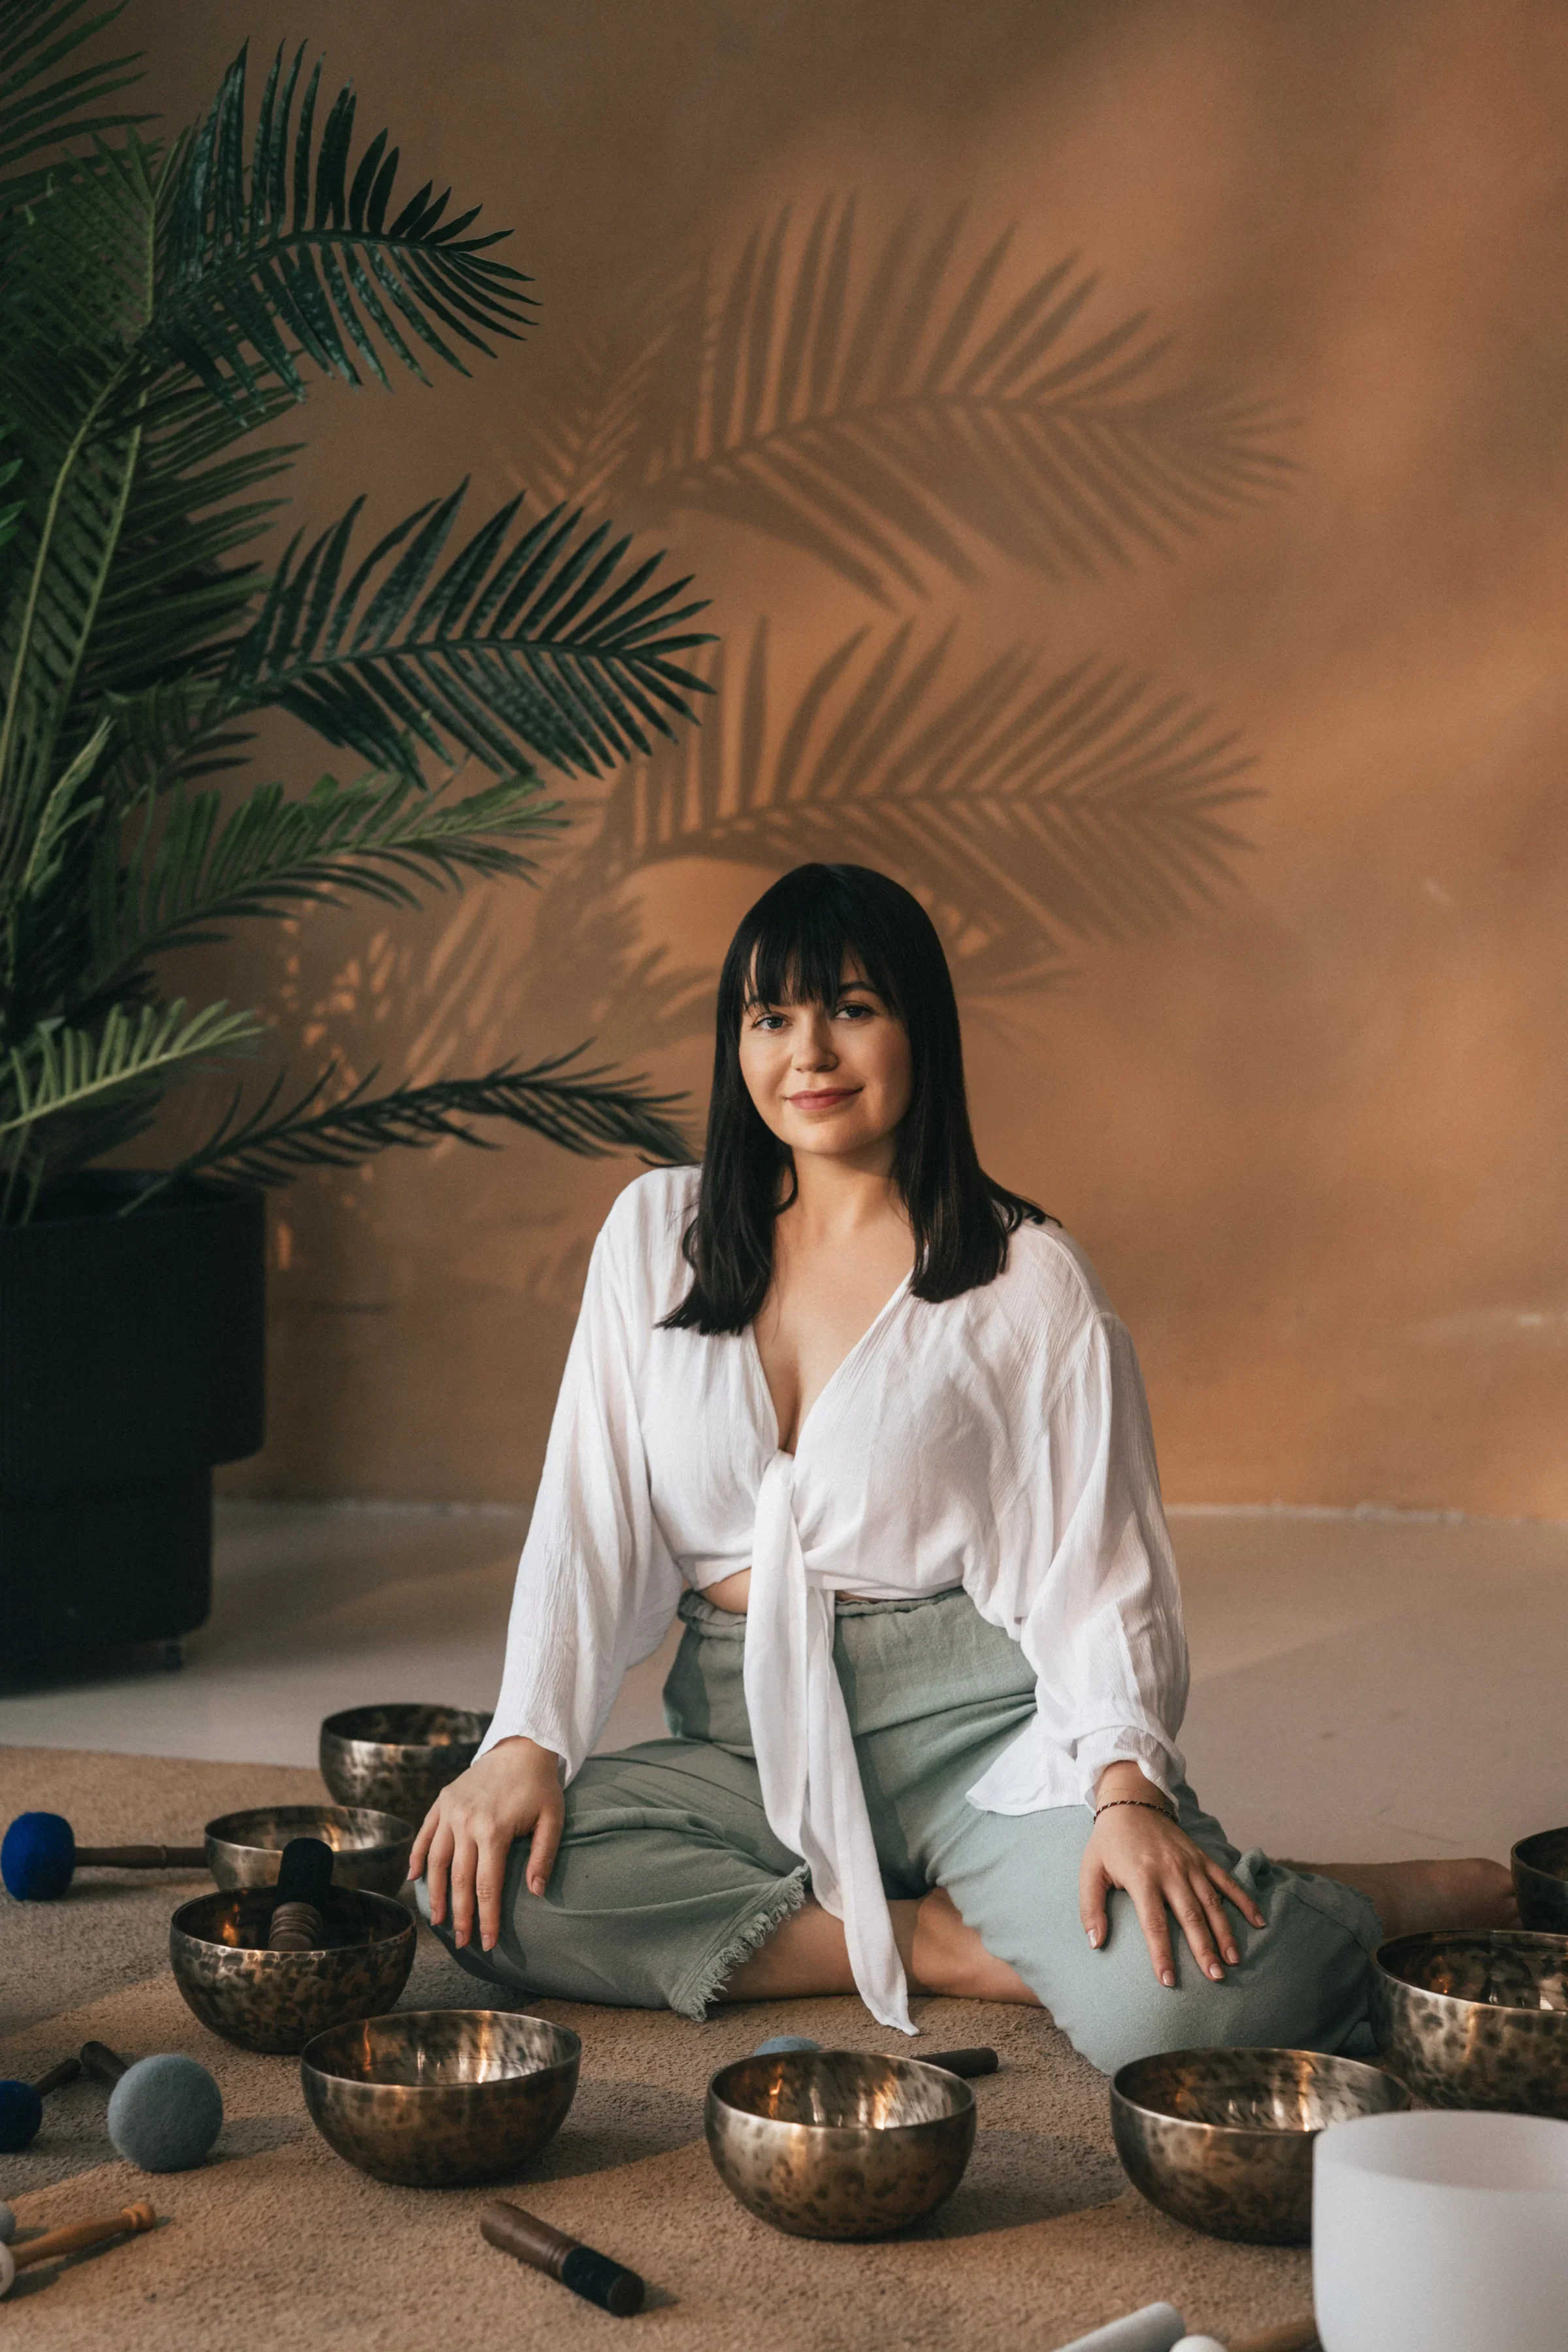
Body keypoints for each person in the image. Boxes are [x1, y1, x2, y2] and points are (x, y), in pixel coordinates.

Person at [411, 862, 1512, 2072]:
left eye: (853, 1008)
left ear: (919, 1028)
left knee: (1194, 2010)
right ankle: (933, 1941)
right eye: (771, 1018)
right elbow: (587, 1518)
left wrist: (1129, 1794)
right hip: (745, 1748)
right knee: (485, 1883)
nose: (809, 1053)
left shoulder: (1025, 1280)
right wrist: (526, 1741)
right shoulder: (654, 1240)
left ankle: (1355, 1903)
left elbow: (1103, 1573)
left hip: (984, 1742)